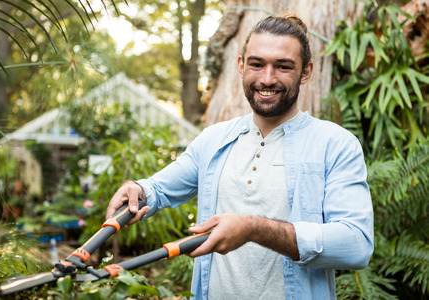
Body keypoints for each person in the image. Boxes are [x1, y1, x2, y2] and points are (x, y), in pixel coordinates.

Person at [106, 15, 374, 300]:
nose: (267, 79)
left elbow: (356, 244)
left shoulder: (335, 144)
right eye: (257, 64)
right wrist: (137, 190)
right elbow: (157, 189)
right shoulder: (214, 139)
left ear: (306, 72)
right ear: (241, 66)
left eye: (283, 66)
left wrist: (252, 228)